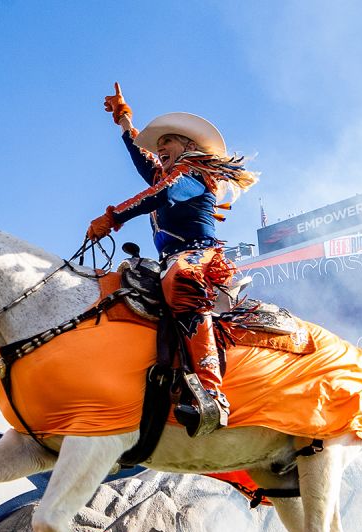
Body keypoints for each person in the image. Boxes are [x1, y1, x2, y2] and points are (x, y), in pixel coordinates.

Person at [87, 83, 258, 435]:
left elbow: (156, 194)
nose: (160, 148)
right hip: (169, 258)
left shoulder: (194, 173)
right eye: (159, 144)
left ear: (190, 147)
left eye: (168, 142)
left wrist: (113, 217)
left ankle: (211, 391)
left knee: (181, 279)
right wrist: (124, 121)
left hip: (199, 255)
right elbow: (142, 161)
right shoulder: (167, 171)